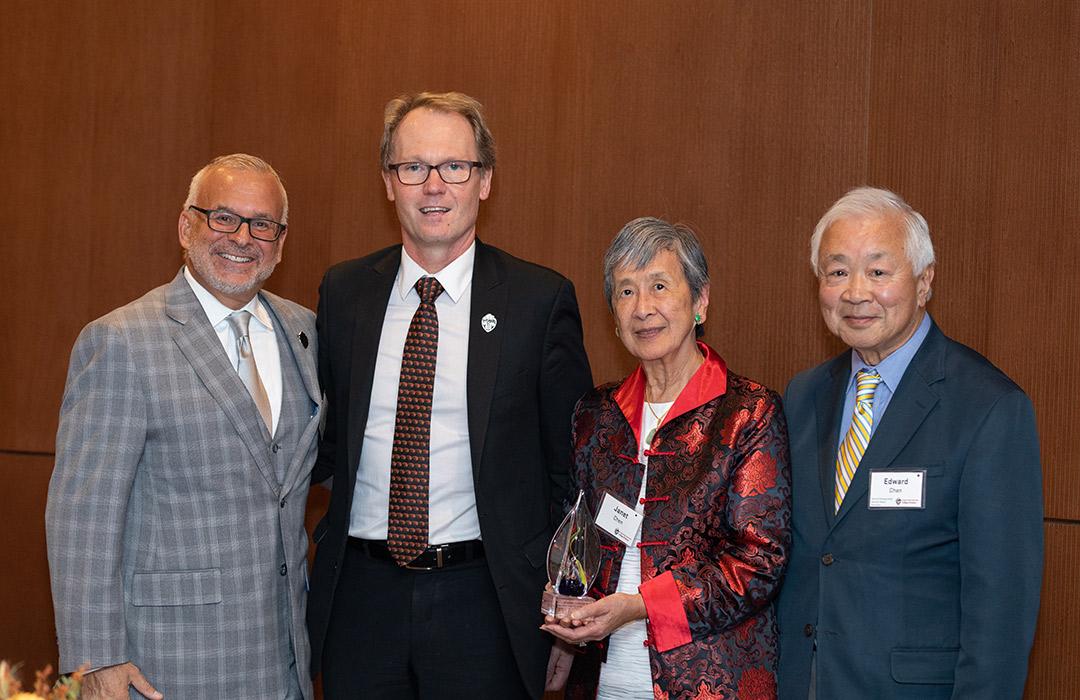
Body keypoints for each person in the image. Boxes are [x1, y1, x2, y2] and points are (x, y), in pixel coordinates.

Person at [306, 91, 593, 699]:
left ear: (484, 181)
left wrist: (567, 614)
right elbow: (322, 445)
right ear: (389, 183)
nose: (433, 186)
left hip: (485, 602)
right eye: (413, 167)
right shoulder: (345, 293)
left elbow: (574, 473)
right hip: (360, 599)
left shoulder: (538, 302)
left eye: (454, 167)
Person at [46, 154, 322, 699]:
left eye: (263, 224)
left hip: (284, 657)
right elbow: (82, 517)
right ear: (186, 225)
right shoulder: (123, 340)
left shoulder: (305, 331)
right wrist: (94, 657)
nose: (243, 238)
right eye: (223, 217)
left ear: (281, 241)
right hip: (167, 663)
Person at [776, 187, 1043, 698]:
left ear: (924, 283)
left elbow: (1002, 612)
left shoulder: (988, 408)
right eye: (837, 272)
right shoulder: (804, 395)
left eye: (878, 272)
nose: (856, 292)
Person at [542, 217, 791, 699]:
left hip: (708, 681)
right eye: (626, 292)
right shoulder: (595, 414)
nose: (643, 308)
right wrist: (565, 596)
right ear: (613, 318)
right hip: (601, 681)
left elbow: (759, 562)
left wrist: (638, 606)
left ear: (699, 301)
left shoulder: (747, 412)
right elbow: (577, 534)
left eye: (659, 286)